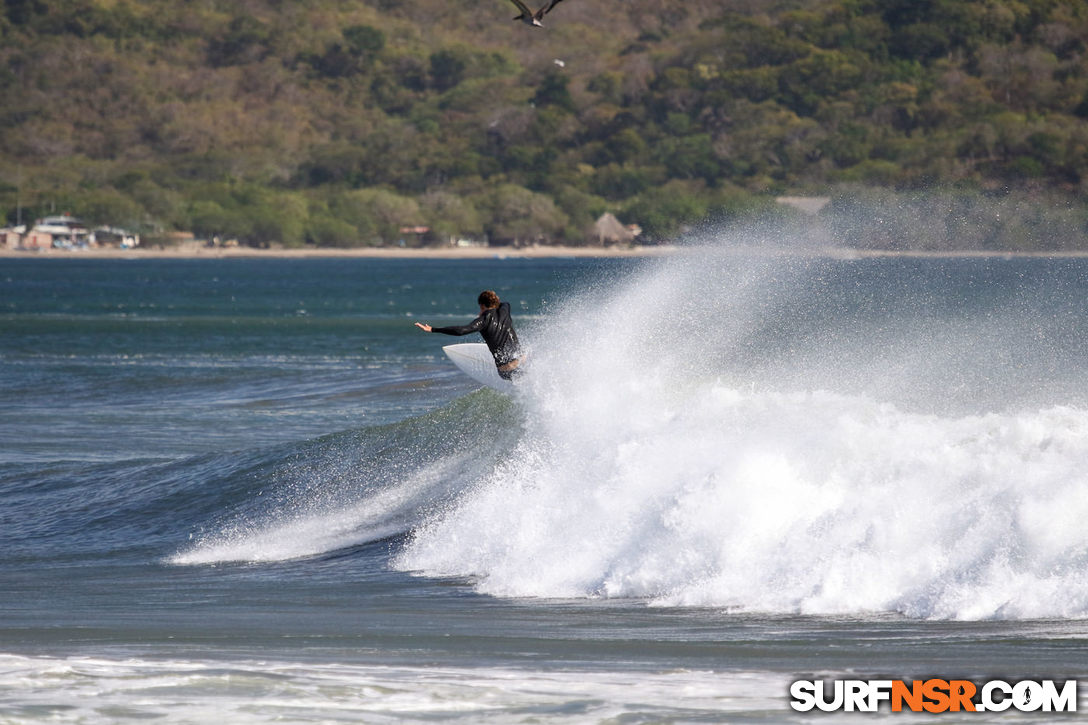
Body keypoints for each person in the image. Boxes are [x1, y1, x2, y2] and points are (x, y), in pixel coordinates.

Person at [415, 290, 524, 379]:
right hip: (522, 360)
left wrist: (433, 329)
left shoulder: (483, 320)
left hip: (507, 369)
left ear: (481, 305)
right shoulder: (505, 309)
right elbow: (505, 303)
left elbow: (461, 330)